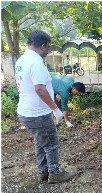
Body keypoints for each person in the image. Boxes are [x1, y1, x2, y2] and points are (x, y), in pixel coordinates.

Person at [15, 30, 76, 184]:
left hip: (26, 111)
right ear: (43, 46)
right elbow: (40, 89)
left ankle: (43, 172)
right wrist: (55, 109)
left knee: (40, 142)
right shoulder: (36, 63)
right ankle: (55, 173)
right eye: (48, 47)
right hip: (37, 113)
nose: (48, 50)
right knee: (51, 143)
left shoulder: (22, 60)